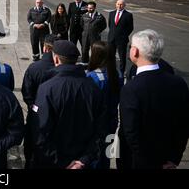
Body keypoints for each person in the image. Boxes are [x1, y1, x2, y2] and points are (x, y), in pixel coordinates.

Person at [118, 30, 189, 169]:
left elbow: (130, 132)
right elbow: (184, 125)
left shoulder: (132, 88)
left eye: (131, 46)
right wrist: (174, 159)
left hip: (139, 162)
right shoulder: (179, 83)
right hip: (167, 159)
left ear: (135, 52)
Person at [31, 40, 105, 169]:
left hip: (53, 163)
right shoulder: (94, 89)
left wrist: (60, 162)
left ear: (56, 59)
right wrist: (83, 160)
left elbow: (40, 132)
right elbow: (101, 130)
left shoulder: (47, 89)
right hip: (81, 163)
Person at [21, 34, 58, 169]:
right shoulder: (59, 68)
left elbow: (26, 92)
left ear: (45, 48)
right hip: (56, 117)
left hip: (36, 115)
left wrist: (33, 106)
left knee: (31, 150)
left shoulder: (34, 68)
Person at [86, 41, 124, 169]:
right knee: (107, 155)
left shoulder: (91, 77)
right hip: (112, 122)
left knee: (94, 158)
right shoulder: (117, 75)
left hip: (95, 125)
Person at [108, 0, 134, 76]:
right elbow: (110, 25)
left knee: (122, 57)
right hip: (111, 39)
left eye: (121, 4)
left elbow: (130, 28)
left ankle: (122, 72)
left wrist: (123, 35)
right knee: (111, 56)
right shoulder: (111, 13)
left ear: (124, 5)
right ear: (116, 4)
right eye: (118, 4)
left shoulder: (128, 15)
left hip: (122, 40)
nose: (119, 6)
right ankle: (111, 70)